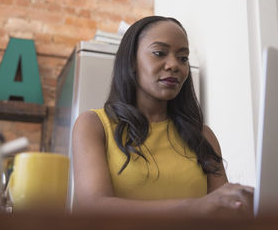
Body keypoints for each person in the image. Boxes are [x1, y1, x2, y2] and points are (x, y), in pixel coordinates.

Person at [72, 16, 253, 216]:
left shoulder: (202, 136)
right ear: (131, 61)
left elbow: (223, 211)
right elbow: (95, 206)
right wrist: (193, 207)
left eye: (183, 58)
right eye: (159, 53)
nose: (174, 65)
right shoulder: (94, 125)